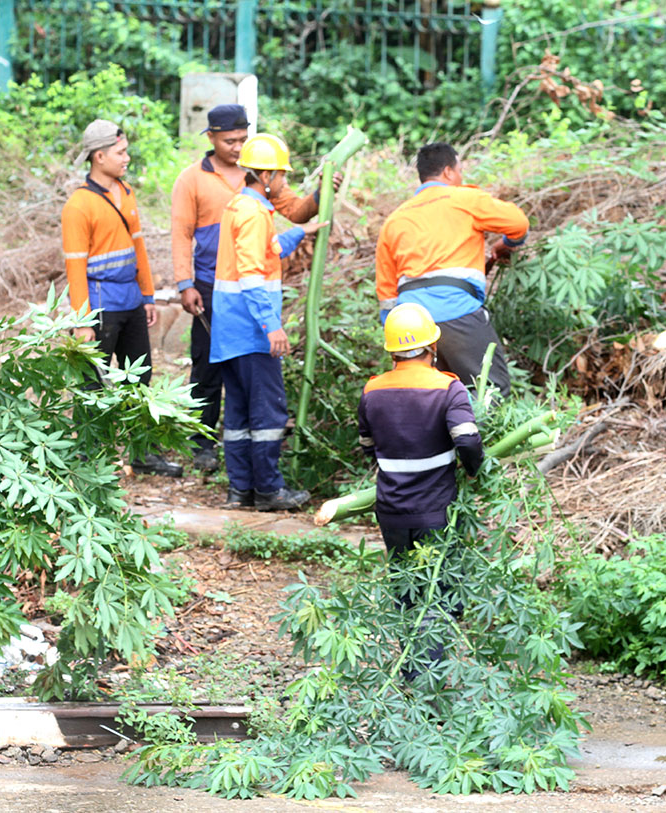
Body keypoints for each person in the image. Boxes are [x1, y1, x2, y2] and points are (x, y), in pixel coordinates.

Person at [171, 104, 340, 472]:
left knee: (238, 389)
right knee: (217, 375)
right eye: (229, 140)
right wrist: (186, 283)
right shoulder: (198, 181)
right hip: (221, 290)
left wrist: (315, 202)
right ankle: (211, 449)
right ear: (211, 137)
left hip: (236, 292)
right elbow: (185, 236)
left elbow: (291, 216)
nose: (235, 147)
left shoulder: (254, 187)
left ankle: (241, 478)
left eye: (242, 140)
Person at [357, 303, 484, 674]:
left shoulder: (373, 389)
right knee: (436, 590)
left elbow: (367, 445)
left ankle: (409, 666)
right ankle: (427, 678)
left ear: (393, 351)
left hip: (391, 511)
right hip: (436, 510)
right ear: (432, 348)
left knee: (406, 587)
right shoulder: (447, 386)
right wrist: (472, 469)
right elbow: (467, 439)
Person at [210, 133, 327, 511]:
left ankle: (241, 490)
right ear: (265, 176)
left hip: (231, 333)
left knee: (240, 415)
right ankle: (270, 491)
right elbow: (250, 275)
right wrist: (271, 326)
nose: (284, 183)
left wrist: (300, 231)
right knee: (268, 413)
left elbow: (268, 250)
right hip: (251, 331)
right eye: (281, 176)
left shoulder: (242, 207)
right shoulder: (253, 212)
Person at [62, 118, 182, 477]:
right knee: (92, 384)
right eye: (120, 152)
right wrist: (81, 322)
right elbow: (75, 269)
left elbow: (138, 247)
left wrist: (148, 296)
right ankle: (88, 457)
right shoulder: (78, 206)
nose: (127, 158)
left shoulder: (126, 193)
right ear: (99, 156)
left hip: (131, 301)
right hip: (100, 306)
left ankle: (143, 454)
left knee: (139, 379)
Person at [375, 142, 529, 397]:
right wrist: (507, 244)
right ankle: (485, 437)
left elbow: (387, 292)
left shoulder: (394, 220)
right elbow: (519, 223)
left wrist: (398, 342)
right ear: (448, 172)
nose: (460, 177)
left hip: (411, 322)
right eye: (460, 170)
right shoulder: (465, 199)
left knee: (432, 398)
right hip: (457, 311)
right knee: (490, 391)